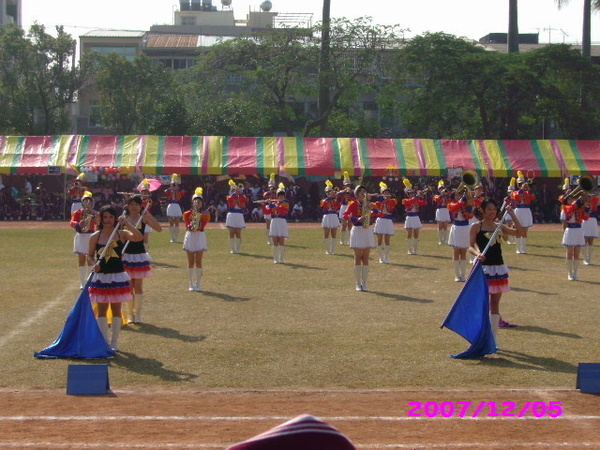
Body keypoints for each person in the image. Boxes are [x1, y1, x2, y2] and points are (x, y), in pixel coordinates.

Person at [87, 205, 143, 351]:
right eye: (105, 217)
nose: (108, 220)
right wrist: (93, 264)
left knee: (116, 308)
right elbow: (89, 256)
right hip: (101, 277)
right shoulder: (95, 236)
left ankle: (114, 342)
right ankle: (104, 341)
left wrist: (127, 223)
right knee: (102, 309)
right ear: (101, 218)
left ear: (115, 218)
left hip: (117, 275)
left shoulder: (121, 234)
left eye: (111, 217)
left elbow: (138, 237)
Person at [469, 198, 523, 347]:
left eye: (494, 209)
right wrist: (477, 253)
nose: (492, 212)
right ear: (482, 210)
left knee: (495, 303)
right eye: (489, 209)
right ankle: (480, 336)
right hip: (483, 268)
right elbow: (470, 246)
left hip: (498, 268)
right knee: (482, 303)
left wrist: (512, 214)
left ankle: (493, 338)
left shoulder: (499, 226)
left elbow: (520, 232)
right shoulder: (476, 226)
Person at [121, 195, 162, 323]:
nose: (133, 207)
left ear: (140, 206)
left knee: (138, 285)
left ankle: (137, 315)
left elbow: (159, 228)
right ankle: (130, 315)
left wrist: (148, 215)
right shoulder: (123, 219)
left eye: (136, 205)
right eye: (131, 204)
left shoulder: (143, 219)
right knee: (128, 285)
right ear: (128, 206)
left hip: (139, 255)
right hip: (125, 255)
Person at [343, 185, 378, 291]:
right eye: (361, 191)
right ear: (357, 194)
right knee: (358, 257)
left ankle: (365, 282)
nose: (363, 193)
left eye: (365, 191)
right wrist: (357, 218)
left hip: (367, 230)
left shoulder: (369, 204)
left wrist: (373, 210)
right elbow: (345, 215)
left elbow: (380, 214)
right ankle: (358, 283)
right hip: (357, 230)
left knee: (366, 257)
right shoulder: (353, 204)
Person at [183, 188, 211, 291]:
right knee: (191, 261)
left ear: (202, 203)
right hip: (190, 236)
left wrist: (197, 225)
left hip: (199, 236)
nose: (197, 203)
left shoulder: (205, 214)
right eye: (195, 201)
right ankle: (190, 283)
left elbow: (202, 225)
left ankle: (198, 283)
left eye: (199, 201)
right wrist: (190, 226)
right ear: (192, 202)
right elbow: (187, 224)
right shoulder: (187, 214)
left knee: (198, 261)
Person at [70, 191, 98, 289]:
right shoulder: (78, 212)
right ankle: (82, 282)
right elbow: (72, 222)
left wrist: (94, 213)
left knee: (90, 259)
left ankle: (90, 281)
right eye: (85, 201)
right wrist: (78, 224)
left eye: (89, 201)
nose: (87, 203)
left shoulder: (94, 213)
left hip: (90, 235)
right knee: (81, 259)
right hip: (81, 236)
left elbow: (99, 220)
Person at [448, 190, 474, 282]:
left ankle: (463, 275)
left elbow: (470, 216)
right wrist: (461, 201)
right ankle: (456, 275)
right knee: (456, 252)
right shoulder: (450, 204)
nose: (458, 196)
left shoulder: (465, 205)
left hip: (465, 228)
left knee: (463, 252)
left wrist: (468, 202)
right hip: (456, 228)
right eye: (456, 195)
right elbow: (455, 207)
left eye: (459, 195)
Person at [561, 194, 588, 281]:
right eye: (568, 200)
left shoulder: (578, 208)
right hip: (570, 230)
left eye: (571, 199)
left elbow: (586, 218)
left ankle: (575, 273)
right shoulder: (565, 208)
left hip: (578, 230)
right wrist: (579, 201)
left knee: (577, 253)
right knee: (569, 252)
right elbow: (568, 213)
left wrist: (586, 206)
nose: (571, 201)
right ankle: (569, 273)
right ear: (566, 201)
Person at [511, 171, 536, 254]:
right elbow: (516, 197)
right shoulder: (515, 192)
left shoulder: (528, 192)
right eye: (521, 183)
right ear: (518, 185)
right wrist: (522, 189)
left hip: (526, 210)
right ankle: (518, 249)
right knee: (518, 229)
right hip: (518, 210)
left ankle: (523, 249)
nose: (524, 185)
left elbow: (533, 197)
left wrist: (528, 189)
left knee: (525, 230)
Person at [374, 182, 398, 263]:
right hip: (381, 221)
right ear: (382, 193)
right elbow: (377, 205)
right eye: (385, 192)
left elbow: (391, 204)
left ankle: (386, 257)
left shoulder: (392, 201)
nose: (387, 194)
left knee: (387, 240)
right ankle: (381, 257)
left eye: (388, 192)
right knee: (379, 239)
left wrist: (383, 198)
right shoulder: (378, 202)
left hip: (388, 221)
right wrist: (378, 197)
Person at [401, 179, 427, 255]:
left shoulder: (416, 200)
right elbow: (409, 202)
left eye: (412, 193)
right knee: (409, 234)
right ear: (407, 194)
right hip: (409, 217)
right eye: (410, 193)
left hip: (416, 217)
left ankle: (415, 250)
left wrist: (422, 196)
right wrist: (417, 196)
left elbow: (425, 203)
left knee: (416, 234)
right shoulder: (405, 200)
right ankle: (409, 250)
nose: (412, 194)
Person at [267, 183, 290, 264]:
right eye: (279, 196)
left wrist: (271, 205)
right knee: (275, 240)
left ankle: (281, 258)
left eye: (282, 196)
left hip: (281, 221)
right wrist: (266, 205)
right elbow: (267, 211)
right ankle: (275, 258)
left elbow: (281, 210)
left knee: (281, 240)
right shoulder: (274, 203)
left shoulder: (286, 203)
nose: (281, 197)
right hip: (274, 221)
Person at [226, 180, 248, 254]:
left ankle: (237, 249)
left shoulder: (242, 196)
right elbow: (228, 200)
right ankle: (232, 249)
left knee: (238, 232)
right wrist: (233, 193)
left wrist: (240, 193)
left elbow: (245, 200)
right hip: (232, 214)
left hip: (239, 214)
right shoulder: (231, 195)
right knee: (231, 232)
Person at [320, 180, 341, 255]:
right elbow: (322, 210)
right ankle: (327, 249)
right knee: (326, 233)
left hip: (334, 216)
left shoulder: (335, 200)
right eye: (328, 192)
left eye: (331, 192)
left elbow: (339, 205)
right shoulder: (324, 201)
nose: (330, 193)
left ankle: (333, 249)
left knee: (334, 234)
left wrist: (336, 196)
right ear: (326, 193)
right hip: (327, 216)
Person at [165, 173, 185, 243]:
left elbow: (183, 192)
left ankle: (176, 237)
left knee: (176, 222)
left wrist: (177, 187)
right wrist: (171, 187)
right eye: (173, 184)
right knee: (171, 222)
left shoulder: (179, 190)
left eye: (175, 184)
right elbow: (165, 191)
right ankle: (172, 237)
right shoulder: (169, 190)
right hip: (171, 205)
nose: (174, 186)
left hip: (177, 206)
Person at [337, 172, 355, 246]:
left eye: (348, 185)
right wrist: (344, 191)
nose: (348, 186)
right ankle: (342, 239)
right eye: (346, 185)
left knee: (350, 224)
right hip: (344, 207)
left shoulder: (352, 192)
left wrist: (352, 193)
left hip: (350, 207)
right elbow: (338, 195)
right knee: (344, 224)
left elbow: (355, 197)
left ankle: (349, 240)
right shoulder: (342, 192)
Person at [582, 188, 599, 265]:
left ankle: (589, 258)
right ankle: (585, 258)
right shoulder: (583, 200)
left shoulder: (596, 199)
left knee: (591, 241)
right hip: (585, 220)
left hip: (593, 220)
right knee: (585, 239)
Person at [433, 180, 451, 245]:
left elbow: (450, 201)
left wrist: (446, 195)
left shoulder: (447, 196)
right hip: (440, 210)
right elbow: (436, 199)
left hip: (445, 210)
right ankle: (440, 240)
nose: (442, 190)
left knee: (445, 226)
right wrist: (441, 194)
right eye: (440, 189)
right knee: (440, 225)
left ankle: (445, 240)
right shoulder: (436, 196)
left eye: (442, 189)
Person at [262, 174, 278, 244]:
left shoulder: (277, 193)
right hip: (267, 208)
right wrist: (265, 202)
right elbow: (264, 200)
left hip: (274, 208)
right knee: (268, 225)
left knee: (274, 224)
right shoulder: (266, 194)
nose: (272, 189)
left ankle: (275, 238)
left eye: (273, 187)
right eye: (270, 187)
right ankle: (269, 239)